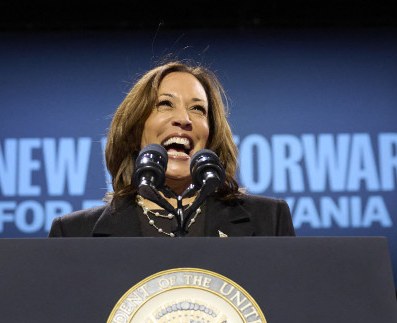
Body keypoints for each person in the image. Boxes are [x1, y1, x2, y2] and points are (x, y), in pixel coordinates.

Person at [48, 61, 295, 237]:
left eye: (198, 109)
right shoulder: (73, 234)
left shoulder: (269, 221)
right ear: (135, 132)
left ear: (210, 137)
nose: (184, 119)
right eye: (165, 104)